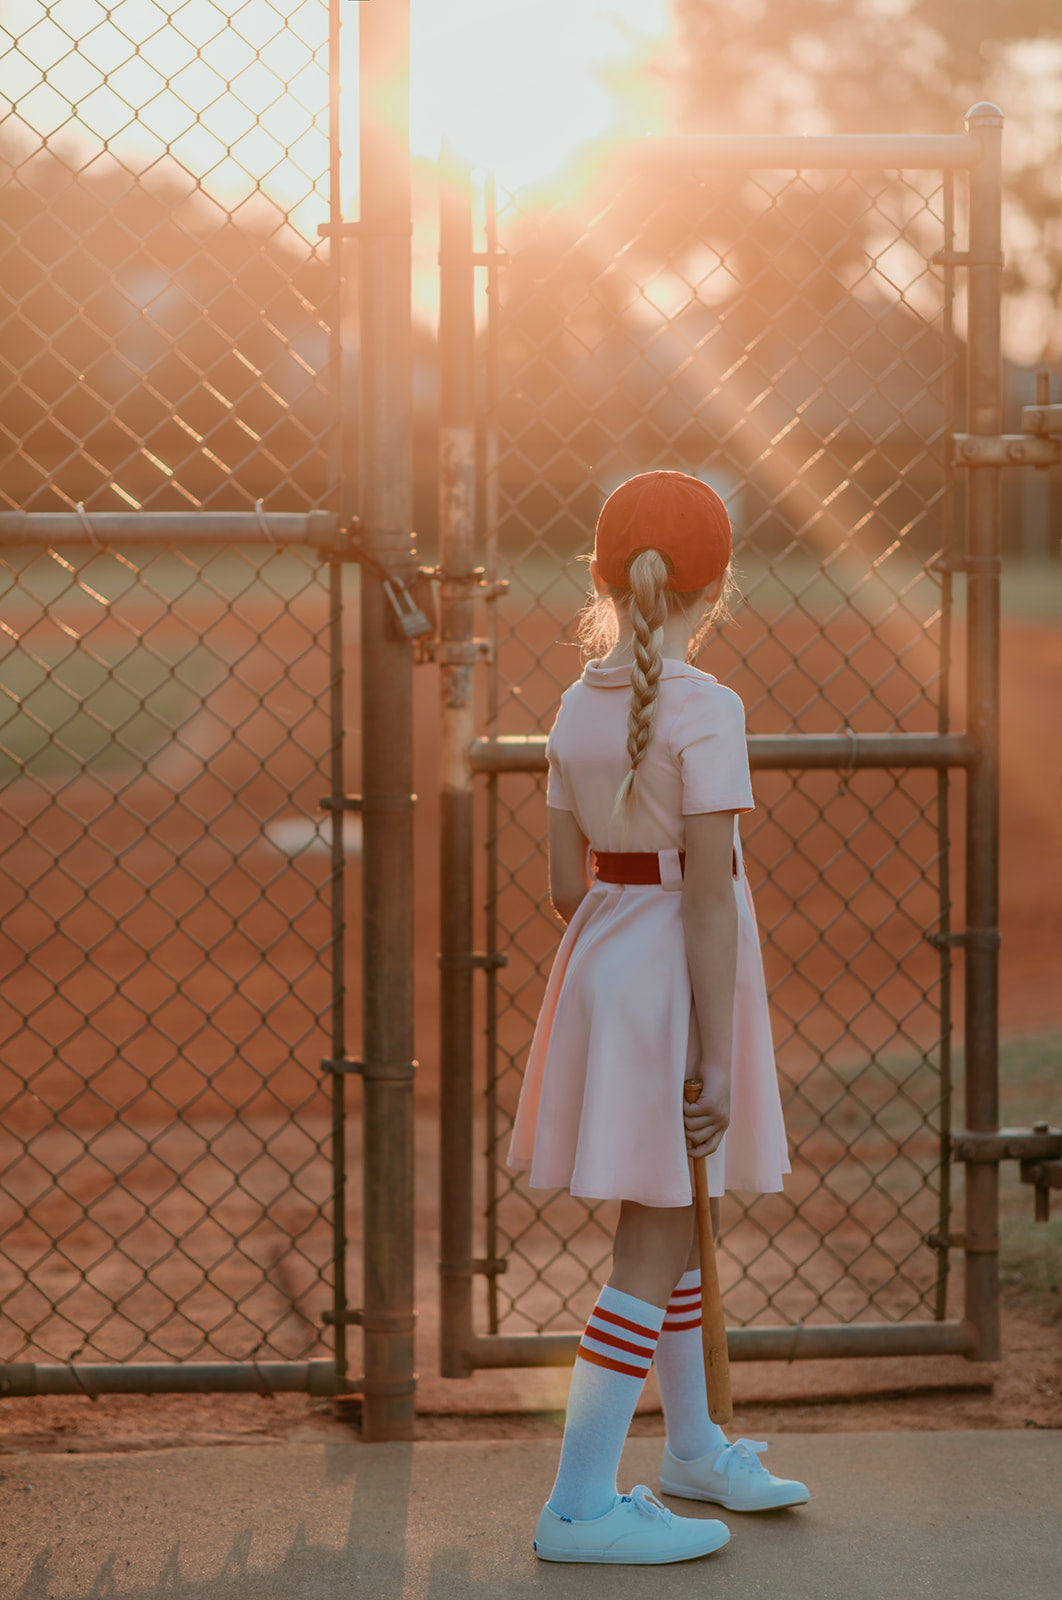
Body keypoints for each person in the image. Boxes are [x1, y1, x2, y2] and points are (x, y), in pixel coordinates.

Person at [507, 470, 809, 1565]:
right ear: (717, 584)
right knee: (654, 1242)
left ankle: (691, 1447)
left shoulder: (572, 704)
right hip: (680, 982)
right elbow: (714, 898)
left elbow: (559, 883)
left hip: (604, 965)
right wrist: (719, 1060)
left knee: (671, 1224)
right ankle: (579, 1506)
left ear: (601, 574)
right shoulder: (707, 706)